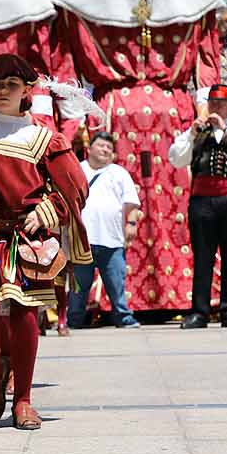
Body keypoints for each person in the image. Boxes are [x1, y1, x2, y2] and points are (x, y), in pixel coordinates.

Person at [51, 0, 226, 315]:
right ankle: (108, 299)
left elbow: (208, 63)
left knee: (182, 210)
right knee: (107, 208)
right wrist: (71, 133)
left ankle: (188, 295)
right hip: (107, 123)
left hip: (178, 123)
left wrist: (208, 111)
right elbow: (65, 71)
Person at [0, 54, 89, 429]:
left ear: (26, 91)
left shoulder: (44, 138)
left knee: (25, 316)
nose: (3, 90)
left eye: (11, 84)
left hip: (28, 239)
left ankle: (22, 400)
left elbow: (76, 187)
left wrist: (49, 210)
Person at [168, 83, 227, 328]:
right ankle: (199, 312)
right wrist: (191, 133)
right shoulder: (197, 132)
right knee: (203, 258)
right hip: (203, 202)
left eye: (221, 104)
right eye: (213, 103)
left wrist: (226, 129)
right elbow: (176, 158)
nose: (216, 107)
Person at [70, 132, 140, 329]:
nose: (105, 149)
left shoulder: (119, 172)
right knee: (78, 286)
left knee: (117, 283)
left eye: (109, 148)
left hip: (112, 240)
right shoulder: (77, 170)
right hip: (82, 240)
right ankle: (73, 321)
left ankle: (124, 318)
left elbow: (131, 201)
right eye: (101, 145)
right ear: (89, 148)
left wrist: (131, 223)